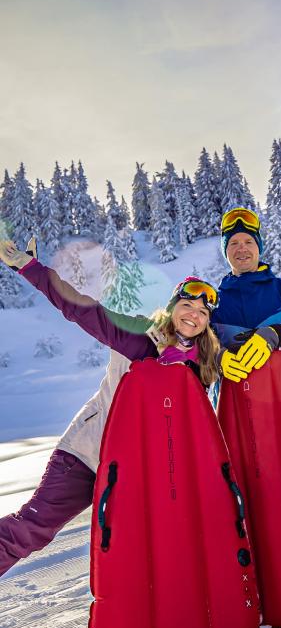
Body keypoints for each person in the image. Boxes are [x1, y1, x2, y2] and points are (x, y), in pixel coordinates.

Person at [0, 237, 221, 577]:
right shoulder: (137, 336)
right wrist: (31, 269)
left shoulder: (200, 368)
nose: (194, 315)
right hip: (87, 455)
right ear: (172, 307)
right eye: (187, 305)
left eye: (202, 312)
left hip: (138, 472)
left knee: (147, 543)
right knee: (34, 527)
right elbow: (81, 308)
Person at [213, 208, 281, 403]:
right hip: (236, 416)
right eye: (233, 243)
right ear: (225, 251)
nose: (242, 249)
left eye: (248, 241)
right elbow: (193, 350)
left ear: (258, 246)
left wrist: (278, 333)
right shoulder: (213, 304)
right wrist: (217, 357)